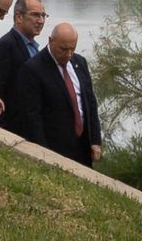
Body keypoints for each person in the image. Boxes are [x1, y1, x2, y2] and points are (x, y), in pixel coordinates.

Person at [17, 22, 102, 166]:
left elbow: (90, 103)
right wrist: (43, 152)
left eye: (72, 49)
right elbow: (32, 116)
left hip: (83, 146)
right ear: (51, 41)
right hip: (54, 147)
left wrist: (95, 140)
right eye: (63, 49)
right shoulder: (33, 69)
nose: (68, 54)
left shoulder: (80, 63)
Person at [0, 0, 47, 133]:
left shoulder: (33, 47)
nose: (41, 21)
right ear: (19, 17)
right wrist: (1, 131)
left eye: (43, 15)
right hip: (12, 128)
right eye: (35, 15)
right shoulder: (6, 46)